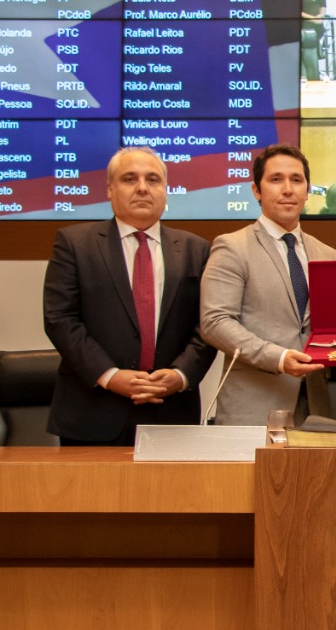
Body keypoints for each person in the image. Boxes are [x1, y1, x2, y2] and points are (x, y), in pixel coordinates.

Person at [200, 144, 336, 425]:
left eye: (296, 180)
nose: (287, 189)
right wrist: (278, 358)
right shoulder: (232, 247)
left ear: (307, 190)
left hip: (316, 410)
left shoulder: (329, 255)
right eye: (276, 180)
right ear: (256, 190)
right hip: (253, 410)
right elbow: (215, 322)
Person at [42, 148, 212, 446]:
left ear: (166, 191)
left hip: (171, 413)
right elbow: (60, 319)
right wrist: (109, 375)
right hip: (92, 413)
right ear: (109, 189)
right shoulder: (74, 244)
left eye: (153, 180)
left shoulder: (196, 250)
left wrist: (181, 374)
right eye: (130, 179)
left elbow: (208, 325)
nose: (143, 188)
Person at [300, 0, 328, 81]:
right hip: (305, 25)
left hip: (318, 24)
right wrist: (312, 19)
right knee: (306, 50)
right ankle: (306, 75)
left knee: (314, 47)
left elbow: (323, 4)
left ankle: (314, 74)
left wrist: (320, 16)